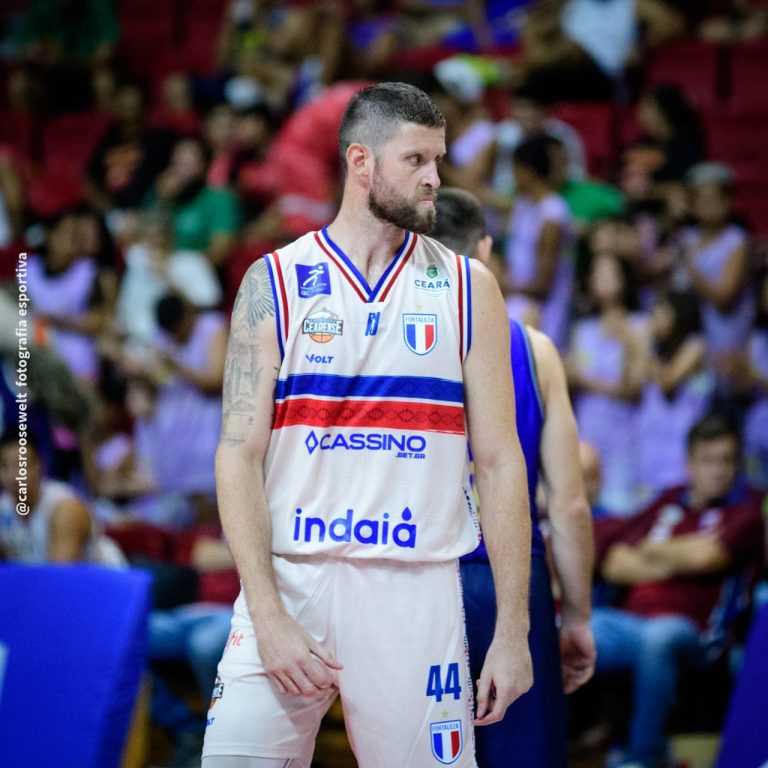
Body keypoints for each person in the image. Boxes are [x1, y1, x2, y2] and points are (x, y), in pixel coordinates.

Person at [203, 82, 533, 768]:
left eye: (438, 160)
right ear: (361, 161)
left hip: (414, 590)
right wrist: (265, 611)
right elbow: (237, 456)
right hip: (291, 581)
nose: (435, 177)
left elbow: (502, 462)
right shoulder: (274, 282)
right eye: (416, 160)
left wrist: (513, 628)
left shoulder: (470, 288)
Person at [432, 186, 596, 768]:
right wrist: (578, 617)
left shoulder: (383, 343)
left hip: (415, 577)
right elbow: (569, 506)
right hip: (509, 582)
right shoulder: (535, 350)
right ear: (485, 249)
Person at [592, 413, 765, 768]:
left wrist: (653, 550)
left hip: (698, 636)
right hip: (630, 622)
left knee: (659, 637)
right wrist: (682, 554)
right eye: (708, 461)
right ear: (689, 464)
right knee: (566, 629)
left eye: (726, 461)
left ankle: (641, 757)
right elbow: (615, 562)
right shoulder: (669, 499)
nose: (718, 471)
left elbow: (709, 556)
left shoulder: (746, 510)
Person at [504, 135, 576, 351]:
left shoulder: (552, 213)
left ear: (527, 171)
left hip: (544, 308)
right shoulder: (523, 204)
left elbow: (544, 283)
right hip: (518, 297)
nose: (512, 177)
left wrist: (502, 285)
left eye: (514, 170)